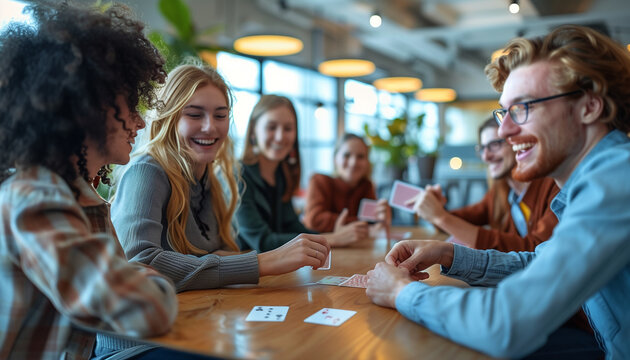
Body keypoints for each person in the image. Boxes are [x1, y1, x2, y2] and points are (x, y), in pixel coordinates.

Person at [367, 24, 630, 359]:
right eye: (504, 111)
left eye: (523, 108)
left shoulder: (615, 179)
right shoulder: (602, 178)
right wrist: (449, 254)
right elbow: (542, 260)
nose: (505, 130)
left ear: (589, 107)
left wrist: (400, 292)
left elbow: (505, 324)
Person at [0, 2, 178, 359]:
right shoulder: (34, 199)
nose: (140, 123)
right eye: (130, 105)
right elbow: (145, 310)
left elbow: (121, 284)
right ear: (89, 109)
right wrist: (152, 280)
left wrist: (135, 276)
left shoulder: (80, 195)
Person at [111, 65, 330, 296]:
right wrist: (264, 262)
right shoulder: (147, 171)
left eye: (220, 115)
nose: (210, 127)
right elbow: (139, 264)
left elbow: (209, 255)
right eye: (195, 114)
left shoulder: (207, 176)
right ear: (169, 117)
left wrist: (272, 258)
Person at [237, 95, 367, 251]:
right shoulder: (237, 175)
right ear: (253, 131)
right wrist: (331, 239)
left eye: (288, 129)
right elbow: (262, 241)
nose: (280, 137)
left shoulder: (280, 174)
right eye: (271, 127)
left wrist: (328, 237)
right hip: (241, 271)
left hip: (274, 270)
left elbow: (293, 226)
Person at [410, 118, 559, 251]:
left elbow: (538, 249)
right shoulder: (500, 192)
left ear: (515, 143)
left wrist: (441, 217)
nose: (486, 156)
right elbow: (462, 220)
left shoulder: (553, 185)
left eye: (494, 145)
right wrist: (436, 209)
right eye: (482, 148)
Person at [303, 133, 391, 233]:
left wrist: (382, 218)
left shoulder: (366, 186)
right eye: (347, 155)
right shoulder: (319, 181)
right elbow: (314, 221)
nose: (353, 162)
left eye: (360, 156)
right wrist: (361, 222)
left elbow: (372, 222)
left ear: (367, 162)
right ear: (335, 159)